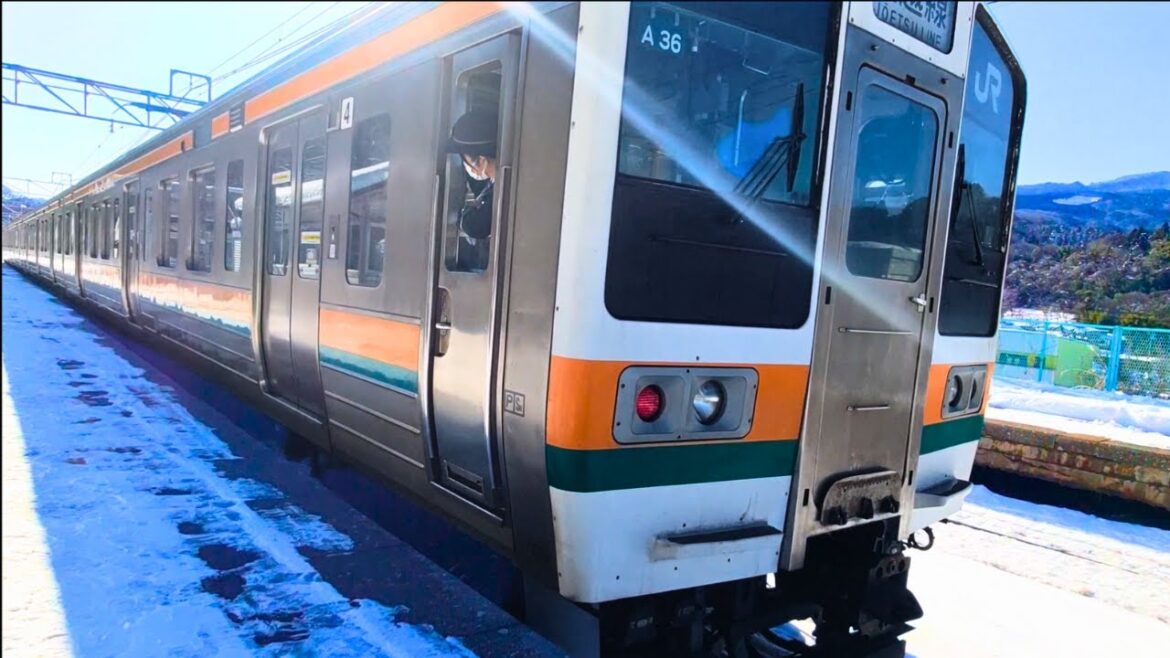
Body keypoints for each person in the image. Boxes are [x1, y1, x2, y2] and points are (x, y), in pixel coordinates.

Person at [445, 109, 498, 270]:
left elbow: (476, 225)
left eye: (468, 161)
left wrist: (464, 214)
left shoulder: (500, 190)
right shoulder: (494, 185)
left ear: (481, 161)